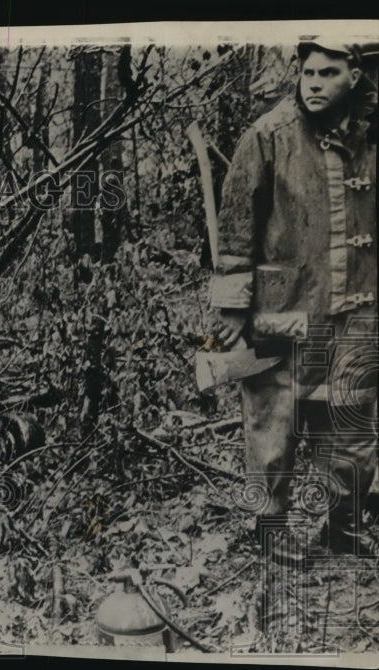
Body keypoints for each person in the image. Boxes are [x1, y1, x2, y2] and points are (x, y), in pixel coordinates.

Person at [209, 40, 378, 562]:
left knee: (352, 419)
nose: (314, 83)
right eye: (307, 72)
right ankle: (270, 528)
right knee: (271, 425)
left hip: (357, 303)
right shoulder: (268, 135)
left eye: (328, 73)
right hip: (284, 308)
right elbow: (236, 227)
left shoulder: (372, 136)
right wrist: (233, 310)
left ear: (354, 76)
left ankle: (343, 525)